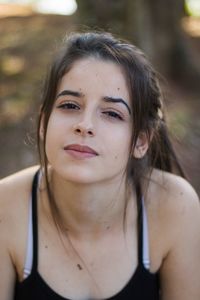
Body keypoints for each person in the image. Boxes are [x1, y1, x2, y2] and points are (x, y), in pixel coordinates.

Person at [0, 31, 200, 300]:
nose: (85, 125)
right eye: (70, 105)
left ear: (141, 141)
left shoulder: (174, 205)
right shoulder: (6, 207)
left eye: (111, 113)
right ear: (44, 122)